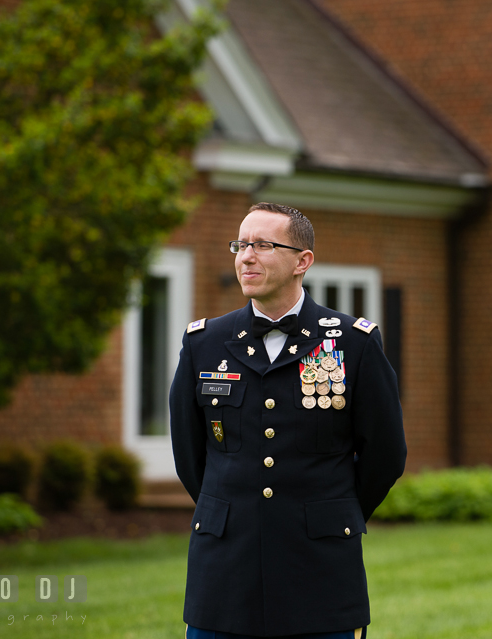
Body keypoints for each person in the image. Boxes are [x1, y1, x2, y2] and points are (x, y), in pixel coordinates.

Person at [169, 202, 407, 639]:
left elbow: (386, 454)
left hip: (320, 574)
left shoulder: (352, 343)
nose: (246, 256)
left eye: (262, 245)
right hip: (224, 573)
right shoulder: (205, 342)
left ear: (303, 261)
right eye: (240, 245)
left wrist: (332, 511)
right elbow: (189, 454)